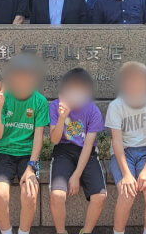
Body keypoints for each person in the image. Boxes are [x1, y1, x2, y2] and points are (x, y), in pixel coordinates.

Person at [105, 61, 146, 234]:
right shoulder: (116, 106)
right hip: (122, 154)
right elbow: (117, 142)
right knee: (127, 194)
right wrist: (126, 174)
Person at [0, 54, 49, 234]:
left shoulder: (39, 101)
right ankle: (6, 231)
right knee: (0, 194)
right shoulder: (3, 98)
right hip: (5, 153)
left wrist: (31, 166)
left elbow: (38, 137)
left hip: (28, 155)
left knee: (30, 193)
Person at [49, 68, 107, 234]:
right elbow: (54, 140)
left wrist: (76, 175)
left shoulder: (93, 111)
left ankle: (86, 231)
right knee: (57, 195)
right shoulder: (55, 106)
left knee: (100, 196)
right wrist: (62, 117)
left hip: (86, 153)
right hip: (63, 151)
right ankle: (61, 232)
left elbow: (88, 146)